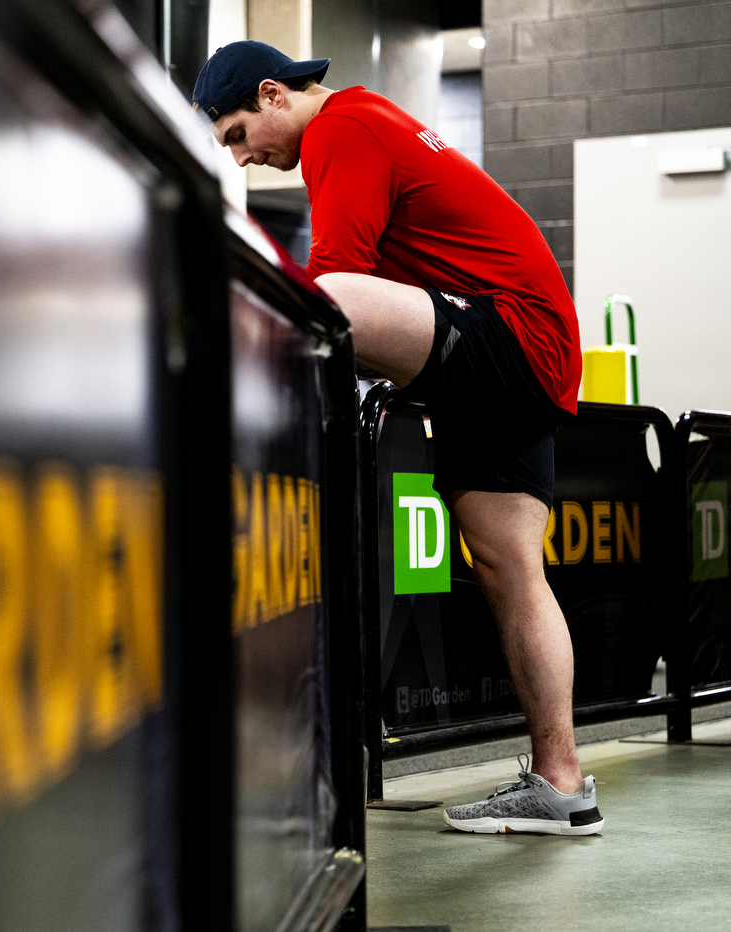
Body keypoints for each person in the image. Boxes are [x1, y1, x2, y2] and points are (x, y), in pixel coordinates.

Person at [193, 41, 602, 835]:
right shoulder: (373, 123)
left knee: (322, 290)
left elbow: (340, 286)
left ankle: (253, 404)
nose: (243, 159)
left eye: (239, 134)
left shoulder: (344, 126)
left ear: (275, 95)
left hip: (510, 335)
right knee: (513, 567)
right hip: (530, 353)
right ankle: (562, 783)